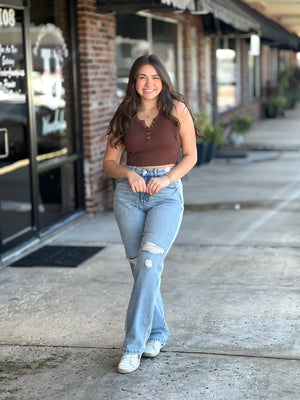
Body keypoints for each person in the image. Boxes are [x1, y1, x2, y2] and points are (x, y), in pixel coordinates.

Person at [103, 54, 202, 374]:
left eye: (155, 77)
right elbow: (109, 162)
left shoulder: (177, 110)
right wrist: (127, 174)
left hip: (166, 195)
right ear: (134, 81)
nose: (149, 84)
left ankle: (133, 346)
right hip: (129, 197)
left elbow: (190, 155)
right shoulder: (124, 114)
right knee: (142, 270)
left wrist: (167, 178)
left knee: (148, 262)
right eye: (142, 77)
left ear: (163, 80)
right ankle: (157, 332)